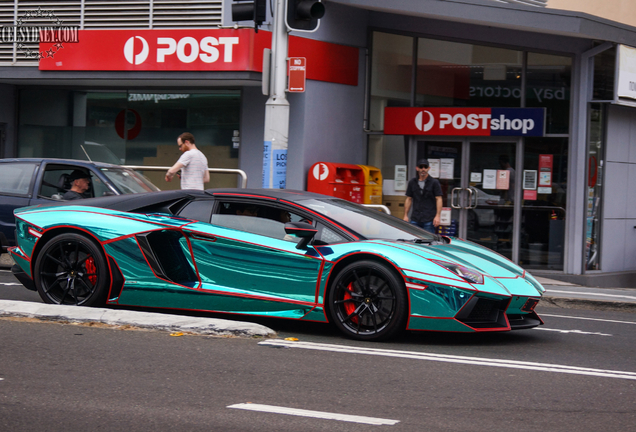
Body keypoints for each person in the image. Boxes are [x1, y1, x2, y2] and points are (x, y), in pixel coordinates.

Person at [403, 158, 442, 233]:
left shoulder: (434, 182)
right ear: (417, 168)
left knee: (428, 242)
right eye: (421, 167)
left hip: (429, 219)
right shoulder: (412, 182)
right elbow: (409, 199)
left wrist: (437, 216)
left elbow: (439, 199)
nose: (423, 169)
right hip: (415, 218)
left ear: (429, 168)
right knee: (414, 241)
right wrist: (405, 215)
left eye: (425, 167)